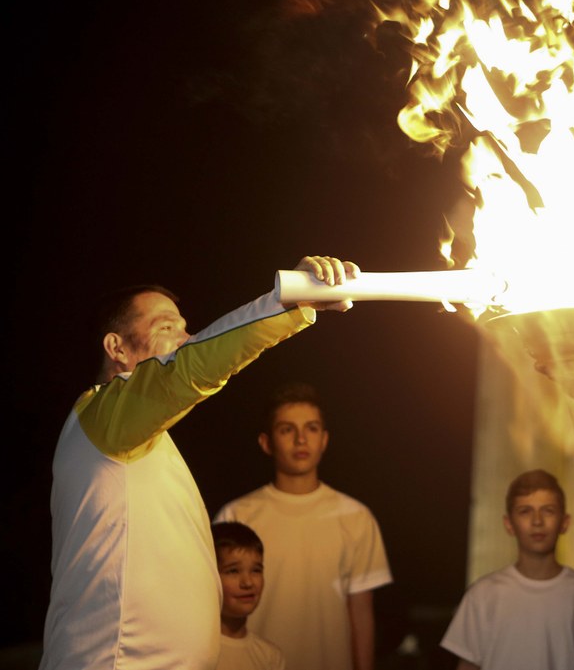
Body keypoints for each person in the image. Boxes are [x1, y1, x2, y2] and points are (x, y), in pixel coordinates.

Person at [39, 255, 358, 670]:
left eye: (185, 326)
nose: (187, 336)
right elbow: (190, 367)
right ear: (116, 347)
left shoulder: (141, 441)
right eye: (166, 327)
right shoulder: (103, 416)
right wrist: (292, 303)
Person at [214, 382, 392, 670]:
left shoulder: (356, 517)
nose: (300, 440)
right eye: (287, 429)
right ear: (266, 442)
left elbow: (360, 613)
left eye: (311, 428)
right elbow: (214, 608)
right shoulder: (237, 515)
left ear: (324, 439)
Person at [440, 469, 574, 670]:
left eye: (548, 510)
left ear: (564, 522)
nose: (537, 521)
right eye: (525, 511)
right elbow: (468, 665)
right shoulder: (482, 594)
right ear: (509, 524)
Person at [212, 521, 286, 670]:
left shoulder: (269, 657)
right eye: (233, 571)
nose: (247, 583)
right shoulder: (197, 650)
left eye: (256, 570)